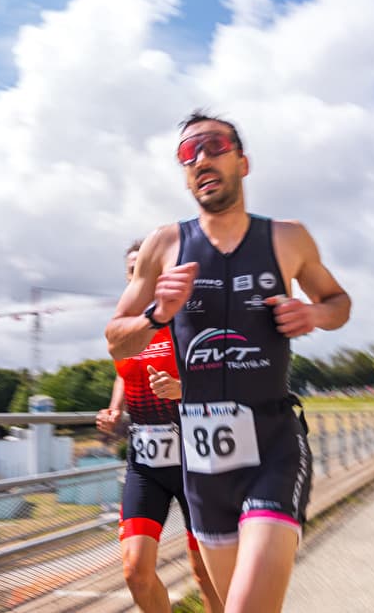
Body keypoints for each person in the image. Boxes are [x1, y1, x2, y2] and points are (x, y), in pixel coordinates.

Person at [106, 111, 351, 613]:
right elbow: (116, 340)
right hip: (204, 463)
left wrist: (313, 313)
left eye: (213, 145)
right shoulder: (164, 245)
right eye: (187, 153)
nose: (200, 158)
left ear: (243, 161)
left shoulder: (287, 238)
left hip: (273, 448)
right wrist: (157, 315)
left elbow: (339, 303)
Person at [96, 241, 221, 613]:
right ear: (128, 278)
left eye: (149, 268)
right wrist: (114, 410)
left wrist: (185, 389)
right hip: (146, 459)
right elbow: (124, 373)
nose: (142, 275)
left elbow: (223, 375)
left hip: (196, 459)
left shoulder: (185, 319)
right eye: (135, 269)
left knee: (204, 573)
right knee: (136, 570)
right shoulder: (125, 328)